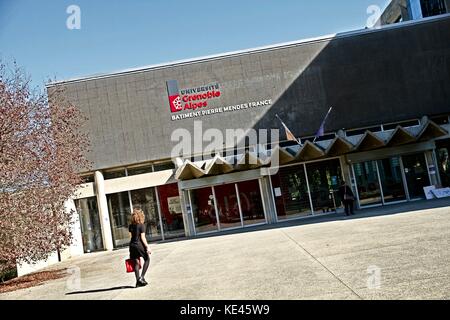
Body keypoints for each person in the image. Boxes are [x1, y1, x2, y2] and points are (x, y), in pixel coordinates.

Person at [129, 208, 151, 287]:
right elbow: (143, 238)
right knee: (147, 259)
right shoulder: (141, 225)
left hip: (132, 245)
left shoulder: (130, 226)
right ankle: (141, 277)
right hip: (139, 245)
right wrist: (147, 247)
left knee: (136, 263)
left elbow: (131, 236)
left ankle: (138, 281)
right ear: (141, 216)